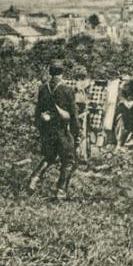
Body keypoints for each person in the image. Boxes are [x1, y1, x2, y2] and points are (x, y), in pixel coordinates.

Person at [27, 60, 81, 200]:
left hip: (47, 129)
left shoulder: (43, 88)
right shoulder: (67, 90)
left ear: (50, 72)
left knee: (49, 157)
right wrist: (76, 133)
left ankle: (34, 178)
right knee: (69, 161)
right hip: (61, 130)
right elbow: (73, 114)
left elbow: (38, 109)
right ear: (62, 73)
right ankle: (61, 191)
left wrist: (40, 127)